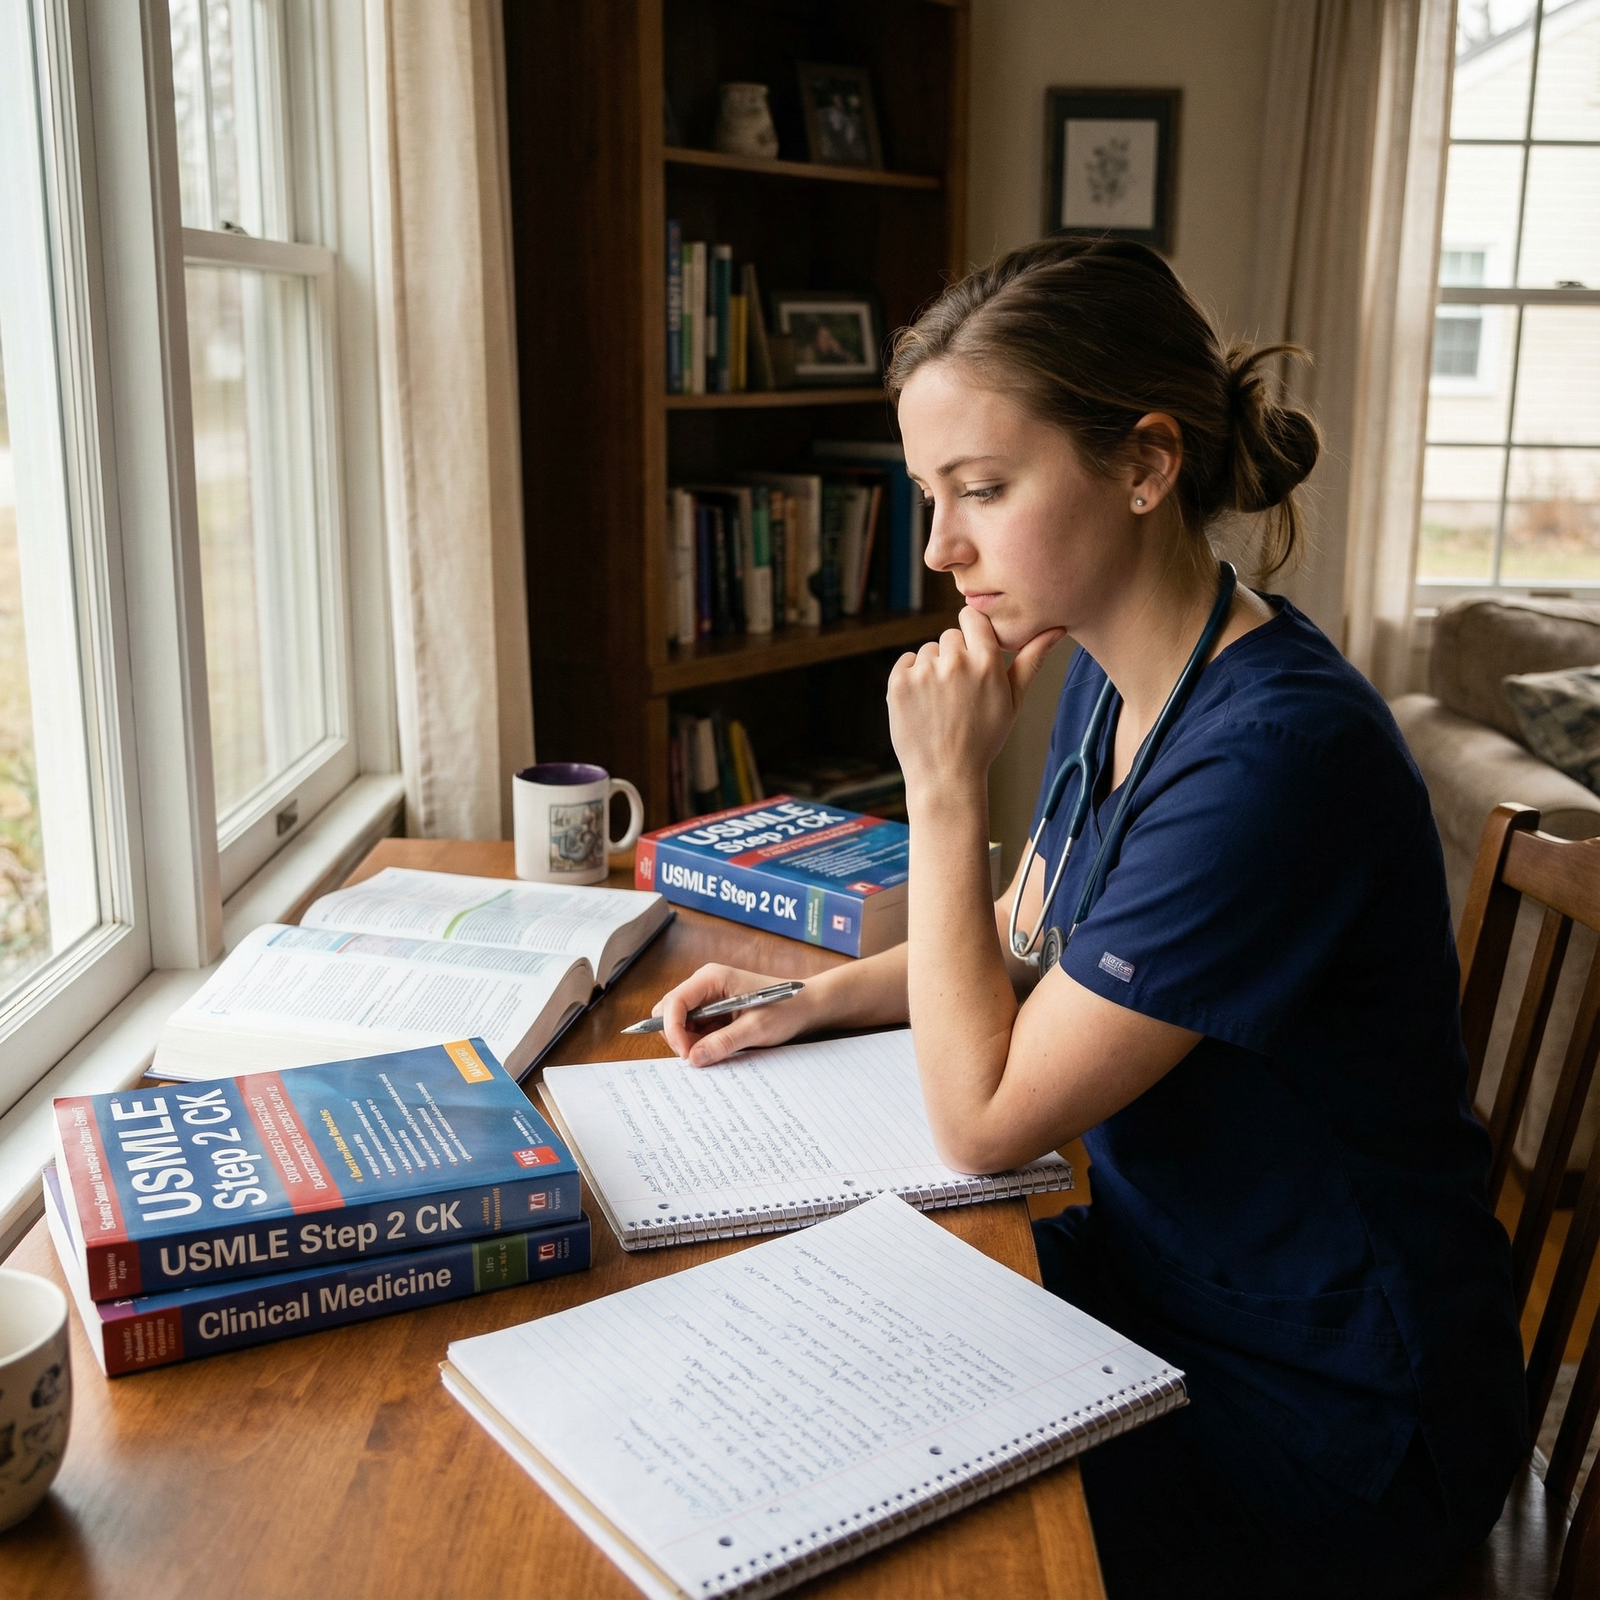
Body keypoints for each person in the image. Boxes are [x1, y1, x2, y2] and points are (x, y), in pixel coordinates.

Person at [651, 237, 1525, 1598]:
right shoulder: (1115, 676)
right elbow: (1018, 935)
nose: (941, 548)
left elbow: (988, 1117)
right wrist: (811, 1000)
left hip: (1335, 1409)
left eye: (983, 491)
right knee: (774, 1347)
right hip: (1163, 1281)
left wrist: (943, 792)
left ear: (1145, 465)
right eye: (930, 497)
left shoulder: (1274, 764)